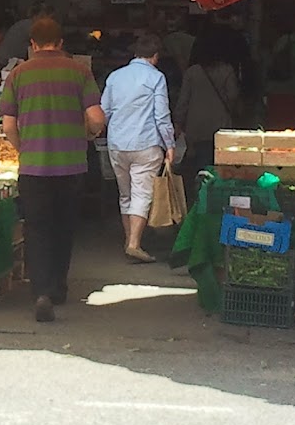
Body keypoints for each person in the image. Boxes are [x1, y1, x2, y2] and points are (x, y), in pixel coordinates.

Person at [0, 15, 105, 323]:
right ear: (60, 42)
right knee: (64, 226)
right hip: (71, 166)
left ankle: (41, 291)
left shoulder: (18, 74)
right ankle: (58, 287)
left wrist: (23, 148)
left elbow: (8, 125)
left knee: (37, 228)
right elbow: (97, 117)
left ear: (32, 44)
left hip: (34, 168)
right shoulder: (79, 71)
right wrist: (89, 133)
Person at [99, 31, 176, 263]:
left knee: (125, 194)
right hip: (146, 143)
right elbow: (161, 115)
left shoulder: (115, 76)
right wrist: (170, 144)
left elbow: (105, 111)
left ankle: (129, 240)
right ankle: (134, 243)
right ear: (156, 56)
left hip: (117, 143)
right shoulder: (156, 77)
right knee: (142, 194)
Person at [173, 33, 243, 197]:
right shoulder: (227, 70)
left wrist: (178, 122)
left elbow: (183, 100)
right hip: (221, 125)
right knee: (220, 164)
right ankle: (217, 196)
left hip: (197, 126)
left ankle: (201, 196)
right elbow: (233, 95)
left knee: (200, 164)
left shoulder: (192, 72)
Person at [0, 0, 54, 66]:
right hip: (6, 62)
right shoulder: (30, 26)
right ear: (35, 16)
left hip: (9, 61)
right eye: (43, 17)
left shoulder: (24, 24)